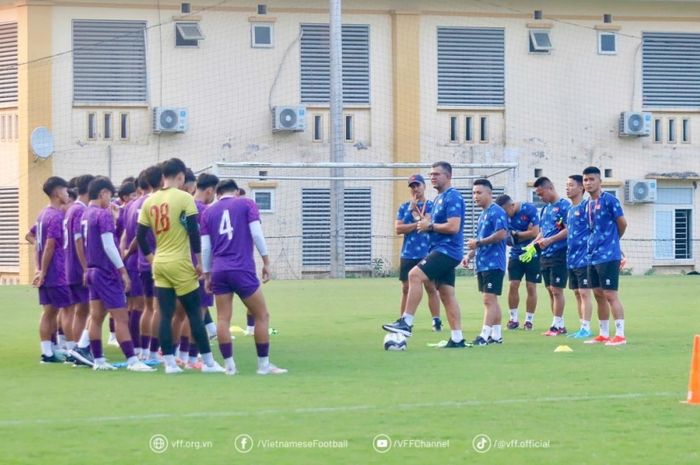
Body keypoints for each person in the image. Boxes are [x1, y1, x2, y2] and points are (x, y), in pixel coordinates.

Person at [137, 158, 225, 374]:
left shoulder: (149, 201)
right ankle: (209, 363)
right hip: (180, 262)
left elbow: (140, 236)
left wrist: (152, 258)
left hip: (160, 263)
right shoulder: (185, 198)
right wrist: (201, 263)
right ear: (179, 177)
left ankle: (169, 363)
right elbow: (194, 233)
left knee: (165, 314)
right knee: (195, 313)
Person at [202, 179, 287, 375]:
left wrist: (207, 274)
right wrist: (266, 261)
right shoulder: (247, 204)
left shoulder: (208, 212)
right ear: (237, 192)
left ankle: (230, 366)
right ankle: (263, 365)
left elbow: (205, 247)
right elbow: (256, 234)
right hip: (242, 268)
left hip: (219, 270)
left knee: (223, 318)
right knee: (262, 315)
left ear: (217, 194)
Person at [382, 161, 468, 348]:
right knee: (446, 293)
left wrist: (430, 226)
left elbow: (453, 226)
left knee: (414, 275)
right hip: (438, 249)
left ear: (448, 176)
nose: (433, 177)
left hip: (447, 250)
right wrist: (422, 222)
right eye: (431, 174)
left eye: (437, 174)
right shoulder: (438, 199)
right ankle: (457, 338)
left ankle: (406, 322)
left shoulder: (453, 197)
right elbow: (429, 224)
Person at [80, 176, 154, 372]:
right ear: (103, 193)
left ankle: (99, 360)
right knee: (121, 317)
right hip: (105, 271)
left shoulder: (85, 214)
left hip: (92, 270)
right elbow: (109, 245)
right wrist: (123, 271)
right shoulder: (101, 214)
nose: (110, 200)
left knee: (96, 317)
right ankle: (132, 360)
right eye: (109, 195)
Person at [582, 166, 628, 346]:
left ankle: (620, 335)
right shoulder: (587, 204)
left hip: (608, 255)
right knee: (598, 294)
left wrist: (613, 241)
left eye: (592, 179)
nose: (588, 183)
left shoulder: (610, 200)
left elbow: (622, 224)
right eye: (585, 180)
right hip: (592, 255)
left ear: (600, 181)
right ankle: (603, 333)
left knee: (610, 294)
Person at [394, 174, 442, 331]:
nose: (415, 189)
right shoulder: (404, 207)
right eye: (412, 186)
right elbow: (398, 229)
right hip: (408, 253)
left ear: (424, 186)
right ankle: (403, 320)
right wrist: (412, 213)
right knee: (406, 288)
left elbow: (426, 222)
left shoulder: (431, 205)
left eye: (417, 185)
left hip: (427, 252)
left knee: (430, 287)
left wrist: (417, 220)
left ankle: (436, 321)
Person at [464, 179, 508, 345]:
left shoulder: (496, 212)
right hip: (483, 263)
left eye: (479, 192)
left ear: (490, 194)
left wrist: (479, 243)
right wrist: (470, 255)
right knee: (492, 300)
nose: (475, 196)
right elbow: (480, 241)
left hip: (494, 263)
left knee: (488, 300)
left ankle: (484, 335)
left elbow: (501, 234)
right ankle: (496, 336)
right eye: (473, 193)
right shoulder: (483, 214)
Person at [34, 177, 72, 363]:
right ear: (57, 193)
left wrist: (39, 269)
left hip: (47, 271)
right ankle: (72, 350)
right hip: (56, 272)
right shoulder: (56, 216)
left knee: (49, 312)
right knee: (68, 310)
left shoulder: (42, 214)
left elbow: (37, 244)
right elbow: (49, 246)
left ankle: (47, 352)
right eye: (65, 191)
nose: (67, 194)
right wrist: (43, 270)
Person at [495, 194, 540, 330]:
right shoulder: (503, 216)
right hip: (515, 254)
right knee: (513, 285)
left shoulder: (529, 209)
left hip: (532, 253)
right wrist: (522, 233)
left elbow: (535, 232)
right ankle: (513, 318)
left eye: (506, 212)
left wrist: (516, 234)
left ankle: (529, 320)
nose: (505, 216)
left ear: (512, 205)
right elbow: (507, 238)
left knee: (531, 287)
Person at [532, 177, 570, 336]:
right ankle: (558, 323)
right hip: (545, 254)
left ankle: (557, 325)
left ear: (550, 188)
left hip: (559, 253)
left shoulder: (564, 206)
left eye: (541, 194)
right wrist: (533, 243)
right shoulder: (545, 209)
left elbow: (568, 229)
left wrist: (551, 240)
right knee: (549, 290)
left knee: (556, 290)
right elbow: (544, 230)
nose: (541, 198)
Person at [64, 174, 95, 365]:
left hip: (71, 266)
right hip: (78, 266)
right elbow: (77, 240)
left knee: (79, 310)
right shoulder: (79, 210)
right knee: (83, 310)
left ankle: (75, 350)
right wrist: (85, 267)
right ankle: (78, 350)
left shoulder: (72, 209)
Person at [565, 175, 594, 339]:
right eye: (566, 185)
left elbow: (594, 228)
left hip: (584, 257)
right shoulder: (570, 209)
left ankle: (587, 327)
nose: (567, 188)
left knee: (584, 292)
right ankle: (582, 325)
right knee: (577, 292)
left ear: (581, 188)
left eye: (571, 185)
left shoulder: (586, 206)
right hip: (572, 257)